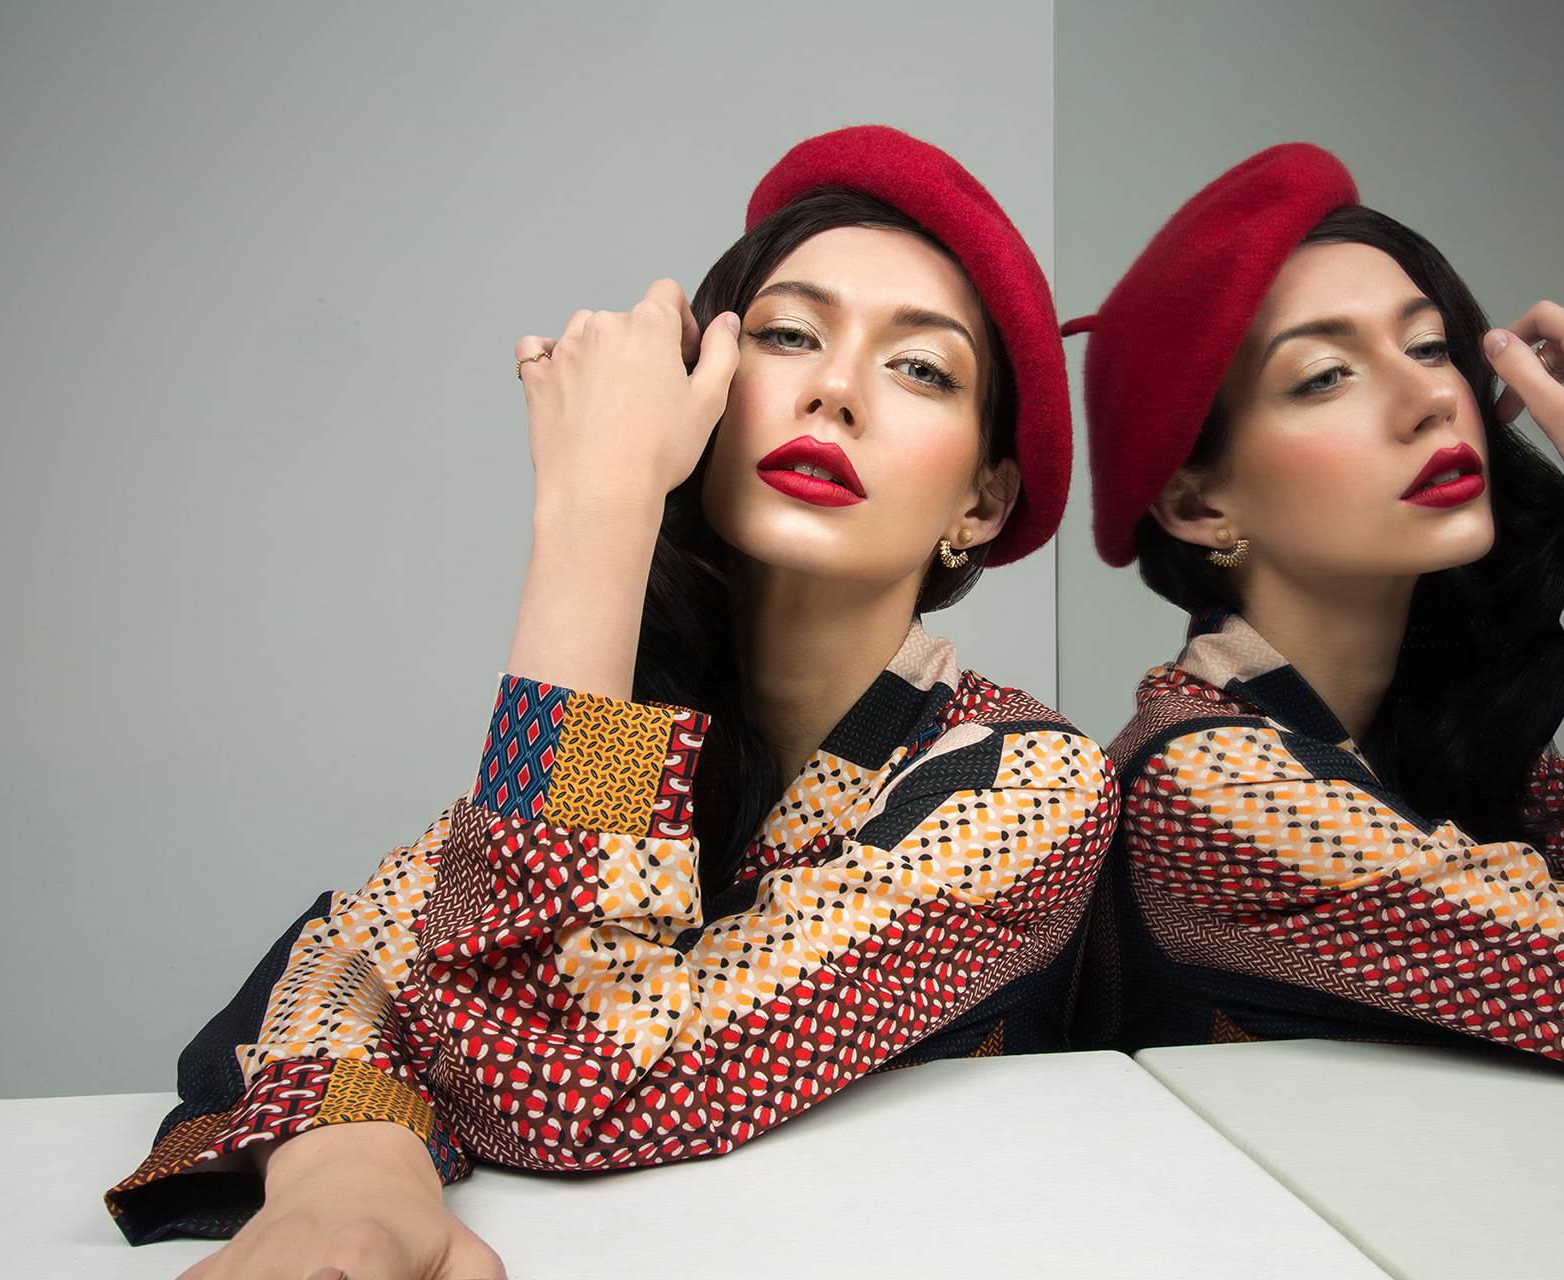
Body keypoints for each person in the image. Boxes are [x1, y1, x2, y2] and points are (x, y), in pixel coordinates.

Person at [105, 126, 1117, 1275]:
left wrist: (598, 502)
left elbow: (572, 1080)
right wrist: (352, 1169)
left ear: (982, 503)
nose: (834, 389)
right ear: (703, 392)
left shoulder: (1021, 779)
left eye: (921, 367)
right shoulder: (639, 728)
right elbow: (362, 949)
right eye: (789, 335)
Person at [1066, 143, 1564, 1094]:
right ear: (1199, 505)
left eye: (1428, 347)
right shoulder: (1218, 789)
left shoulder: (1427, 743)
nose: (1431, 397)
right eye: (1325, 375)